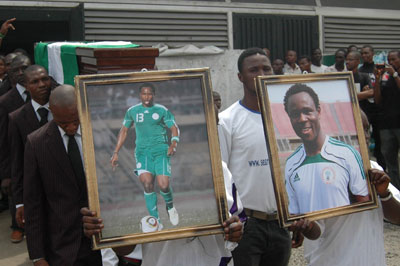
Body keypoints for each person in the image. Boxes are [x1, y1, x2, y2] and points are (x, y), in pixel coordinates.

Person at [82, 102, 245, 266]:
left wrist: (234, 232)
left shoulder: (219, 170)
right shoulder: (142, 177)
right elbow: (125, 247)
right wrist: (105, 229)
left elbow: (235, 225)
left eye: (212, 127)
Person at [219, 47, 292, 266]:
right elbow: (221, 177)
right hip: (247, 226)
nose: (261, 74)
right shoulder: (227, 120)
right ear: (240, 77)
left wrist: (296, 216)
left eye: (266, 68)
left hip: (280, 223)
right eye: (253, 70)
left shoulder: (287, 117)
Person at [301, 110, 400, 266]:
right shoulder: (317, 174)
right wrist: (305, 226)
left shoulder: (373, 168)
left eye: (367, 129)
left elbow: (397, 217)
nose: (366, 136)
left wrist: (384, 194)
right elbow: (315, 231)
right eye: (358, 130)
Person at [24, 84, 102, 265]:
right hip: (65, 248)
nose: (71, 128)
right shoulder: (37, 144)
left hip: (105, 240)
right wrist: (37, 256)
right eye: (63, 123)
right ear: (51, 112)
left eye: (76, 121)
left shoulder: (100, 134)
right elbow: (33, 203)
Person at [283, 83, 369, 214]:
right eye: (295, 114)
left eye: (307, 111)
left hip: (342, 234)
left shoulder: (347, 154)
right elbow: (294, 214)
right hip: (311, 235)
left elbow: (364, 204)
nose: (302, 119)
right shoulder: (291, 163)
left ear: (318, 111)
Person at [111, 82, 180, 226]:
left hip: (161, 151)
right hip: (143, 153)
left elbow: (174, 127)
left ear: (154, 95)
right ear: (140, 95)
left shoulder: (161, 110)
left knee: (163, 185)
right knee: (148, 184)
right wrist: (116, 152)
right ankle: (156, 222)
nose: (146, 96)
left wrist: (173, 143)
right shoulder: (132, 111)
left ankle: (170, 207)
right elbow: (124, 131)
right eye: (144, 93)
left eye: (149, 93)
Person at [9, 65, 52, 230]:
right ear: (26, 86)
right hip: (36, 190)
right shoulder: (17, 118)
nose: (42, 85)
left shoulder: (64, 110)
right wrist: (20, 202)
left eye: (45, 79)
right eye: (35, 82)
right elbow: (17, 161)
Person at [0, 54, 31, 243]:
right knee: (16, 191)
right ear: (9, 73)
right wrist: (5, 174)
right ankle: (17, 226)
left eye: (24, 69)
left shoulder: (43, 92)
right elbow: (3, 140)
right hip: (16, 155)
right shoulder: (5, 101)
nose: (20, 73)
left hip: (37, 153)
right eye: (16, 70)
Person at [374, 50, 400, 191]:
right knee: (390, 161)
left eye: (394, 59)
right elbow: (377, 100)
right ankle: (397, 189)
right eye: (389, 59)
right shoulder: (384, 77)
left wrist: (395, 74)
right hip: (386, 124)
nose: (391, 62)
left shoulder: (394, 75)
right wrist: (377, 80)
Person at [359, 44, 386, 169]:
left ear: (372, 54)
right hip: (366, 110)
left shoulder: (379, 68)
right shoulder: (360, 70)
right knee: (365, 140)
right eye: (362, 53)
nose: (364, 55)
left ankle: (382, 168)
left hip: (379, 110)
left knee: (380, 142)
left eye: (367, 53)